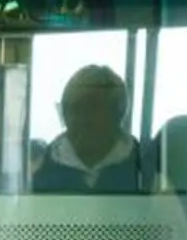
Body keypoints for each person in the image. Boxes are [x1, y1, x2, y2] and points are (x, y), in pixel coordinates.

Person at [32, 64, 153, 194]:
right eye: (75, 108)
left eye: (94, 107)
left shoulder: (147, 171)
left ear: (118, 112)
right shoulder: (36, 173)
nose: (83, 118)